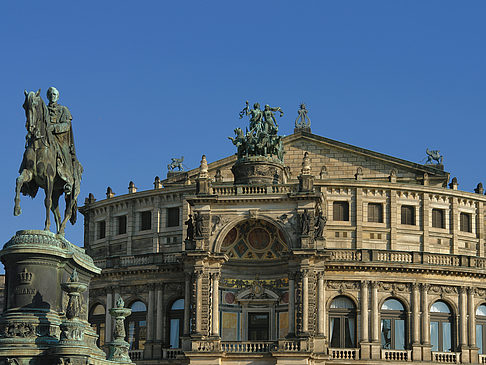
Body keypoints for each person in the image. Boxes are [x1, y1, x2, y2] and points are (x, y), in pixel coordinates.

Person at [46, 87, 82, 195]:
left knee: (65, 152)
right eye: (50, 94)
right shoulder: (44, 110)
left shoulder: (63, 110)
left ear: (57, 96)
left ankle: (68, 180)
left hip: (60, 140)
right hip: (46, 138)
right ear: (48, 96)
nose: (52, 96)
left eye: (54, 94)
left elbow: (66, 125)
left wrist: (53, 128)